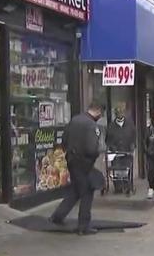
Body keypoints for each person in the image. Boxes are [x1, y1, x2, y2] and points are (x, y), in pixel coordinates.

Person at [49, 99, 106, 235]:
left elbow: (63, 140)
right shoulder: (92, 125)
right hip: (84, 163)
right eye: (101, 114)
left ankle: (57, 216)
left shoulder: (74, 120)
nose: (100, 117)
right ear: (98, 111)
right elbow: (92, 148)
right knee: (87, 191)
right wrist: (96, 153)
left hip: (72, 161)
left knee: (76, 190)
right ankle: (83, 226)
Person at [106, 104, 136, 193]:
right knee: (117, 169)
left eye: (121, 112)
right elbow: (107, 139)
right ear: (115, 114)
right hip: (115, 151)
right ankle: (118, 187)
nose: (120, 114)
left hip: (127, 150)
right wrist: (111, 147)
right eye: (118, 112)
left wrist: (133, 145)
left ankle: (127, 186)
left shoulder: (130, 125)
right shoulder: (111, 126)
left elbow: (134, 137)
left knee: (126, 168)